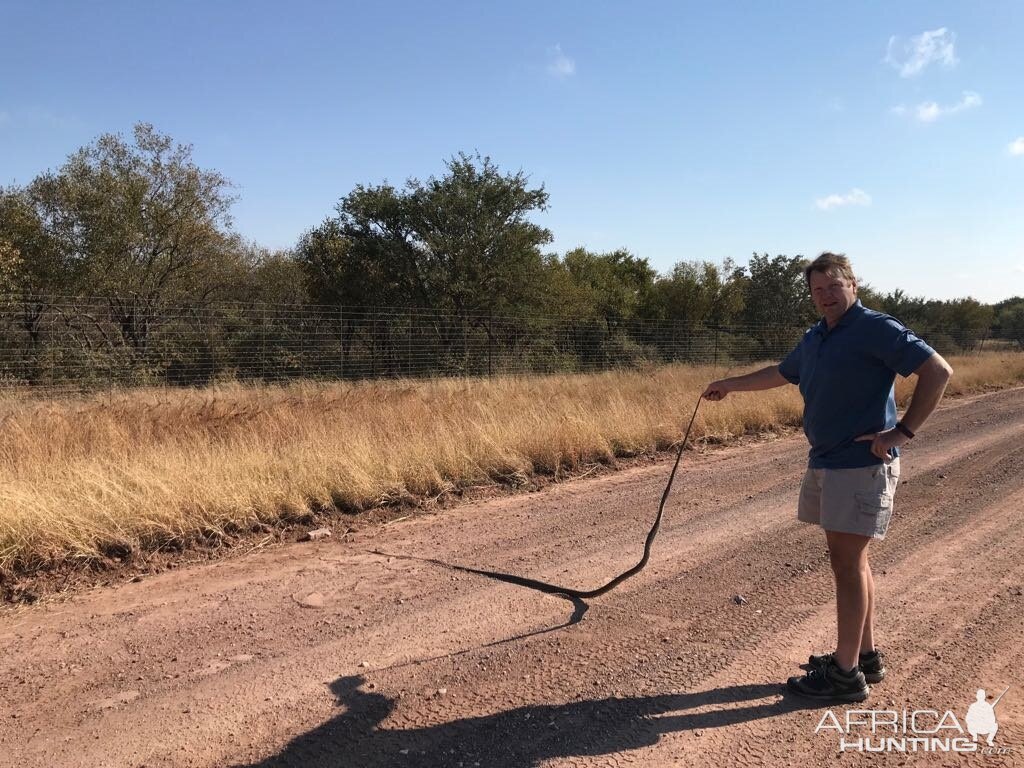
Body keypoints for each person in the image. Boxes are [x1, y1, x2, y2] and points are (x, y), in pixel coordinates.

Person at [702, 252, 953, 702]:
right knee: (855, 562)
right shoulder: (817, 336)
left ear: (853, 285)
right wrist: (730, 383)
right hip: (827, 461)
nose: (825, 297)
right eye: (817, 290)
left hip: (860, 465)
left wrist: (903, 430)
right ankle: (865, 658)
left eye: (833, 287)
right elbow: (781, 373)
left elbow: (938, 370)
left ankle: (845, 674)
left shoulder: (876, 328)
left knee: (846, 564)